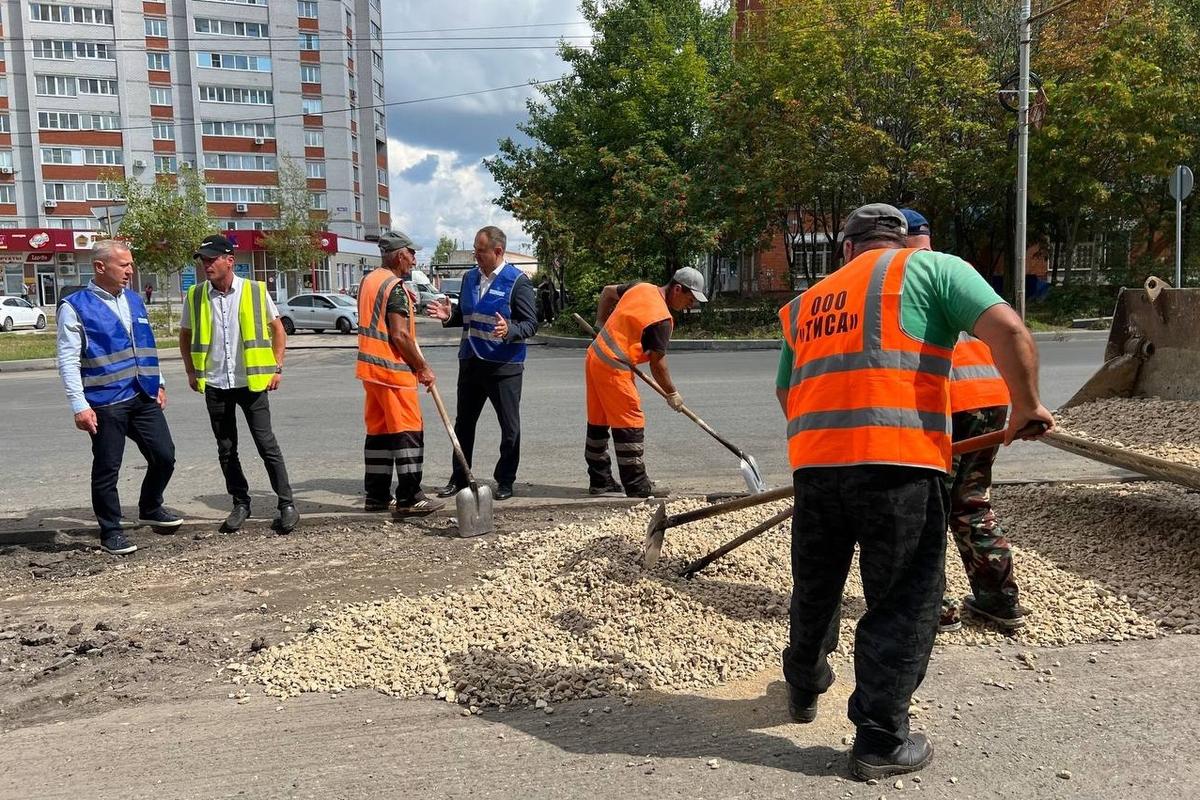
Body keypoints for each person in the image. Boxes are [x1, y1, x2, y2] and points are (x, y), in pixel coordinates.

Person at [775, 204, 1052, 780]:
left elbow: (788, 390)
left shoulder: (803, 304)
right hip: (900, 468)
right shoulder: (935, 270)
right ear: (900, 241)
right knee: (904, 599)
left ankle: (804, 685)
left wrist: (831, 440)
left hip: (817, 467)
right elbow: (1009, 331)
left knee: (817, 585)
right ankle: (879, 739)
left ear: (846, 249)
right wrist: (1026, 405)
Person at [901, 208, 1027, 633]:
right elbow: (1010, 331)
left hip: (948, 405)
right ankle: (998, 600)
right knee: (972, 502)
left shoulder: (905, 278)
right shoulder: (957, 270)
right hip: (991, 400)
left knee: (927, 506)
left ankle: (931, 604)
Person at [56, 240, 180, 554]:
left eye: (130, 264)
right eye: (124, 264)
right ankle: (111, 530)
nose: (130, 270)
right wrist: (79, 404)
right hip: (105, 400)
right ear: (100, 267)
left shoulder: (135, 300)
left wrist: (159, 382)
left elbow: (145, 344)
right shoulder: (75, 306)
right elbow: (68, 359)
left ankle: (150, 506)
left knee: (164, 455)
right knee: (108, 467)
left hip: (143, 394)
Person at [179, 234, 298, 534]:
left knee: (266, 444)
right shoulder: (195, 295)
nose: (206, 265)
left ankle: (286, 504)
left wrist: (277, 367)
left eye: (211, 260)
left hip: (252, 383)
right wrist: (191, 372)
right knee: (226, 449)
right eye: (203, 261)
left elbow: (278, 330)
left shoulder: (255, 291)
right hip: (216, 383)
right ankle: (240, 503)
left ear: (229, 260)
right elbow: (185, 335)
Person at [426, 226, 538, 501]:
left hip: (504, 367)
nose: (476, 256)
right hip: (471, 362)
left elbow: (531, 323)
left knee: (509, 427)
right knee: (463, 424)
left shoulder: (517, 282)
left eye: (480, 251)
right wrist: (448, 316)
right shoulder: (470, 278)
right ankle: (460, 477)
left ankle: (506, 480)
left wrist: (510, 330)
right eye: (475, 250)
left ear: (497, 251)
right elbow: (466, 315)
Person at [584, 267, 706, 497]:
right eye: (690, 299)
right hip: (613, 368)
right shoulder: (661, 319)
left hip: (594, 358)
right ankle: (637, 485)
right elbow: (657, 365)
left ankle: (599, 481)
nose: (691, 305)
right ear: (677, 289)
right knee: (630, 421)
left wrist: (600, 324)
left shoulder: (641, 288)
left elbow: (608, 292)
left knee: (598, 422)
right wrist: (672, 393)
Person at [357, 230, 442, 516]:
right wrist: (422, 367)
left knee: (379, 434)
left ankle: (377, 496)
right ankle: (410, 496)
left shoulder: (369, 281)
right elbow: (400, 334)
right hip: (393, 372)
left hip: (372, 372)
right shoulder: (394, 287)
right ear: (398, 254)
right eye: (411, 252)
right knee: (408, 432)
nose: (414, 258)